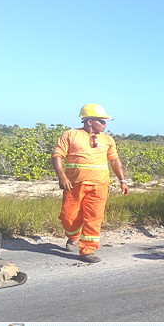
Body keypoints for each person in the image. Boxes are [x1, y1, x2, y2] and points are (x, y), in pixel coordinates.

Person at [51, 103, 129, 263]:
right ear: (89, 121)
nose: (105, 124)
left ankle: (88, 250)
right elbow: (57, 155)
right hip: (74, 185)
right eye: (102, 121)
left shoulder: (108, 139)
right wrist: (62, 176)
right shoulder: (70, 135)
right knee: (68, 217)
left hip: (100, 186)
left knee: (94, 217)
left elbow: (115, 161)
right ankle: (73, 236)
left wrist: (122, 180)